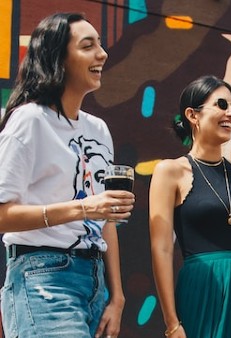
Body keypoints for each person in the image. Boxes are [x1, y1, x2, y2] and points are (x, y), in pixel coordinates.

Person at [0, 13, 135, 338]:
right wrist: (84, 208)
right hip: (41, 275)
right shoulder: (29, 121)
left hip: (95, 280)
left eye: (100, 45)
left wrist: (117, 297)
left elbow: (107, 221)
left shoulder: (98, 129)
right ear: (57, 57)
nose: (101, 54)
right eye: (88, 46)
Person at [149, 75, 231, 338]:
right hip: (203, 287)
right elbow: (161, 249)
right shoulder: (170, 171)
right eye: (222, 104)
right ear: (192, 115)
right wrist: (172, 322)